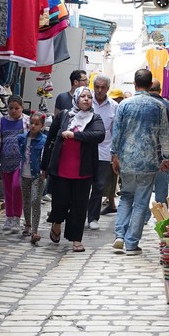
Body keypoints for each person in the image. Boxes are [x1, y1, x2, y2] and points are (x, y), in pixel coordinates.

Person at [111, 69, 169, 255]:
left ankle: (119, 235)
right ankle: (131, 243)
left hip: (127, 159)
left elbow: (116, 132)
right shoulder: (158, 106)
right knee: (141, 203)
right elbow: (164, 133)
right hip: (148, 161)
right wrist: (166, 157)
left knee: (126, 197)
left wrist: (114, 155)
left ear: (134, 83)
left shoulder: (124, 105)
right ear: (150, 84)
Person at [42, 86, 105, 253]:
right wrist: (44, 165)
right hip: (61, 169)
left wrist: (75, 135)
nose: (86, 99)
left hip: (83, 171)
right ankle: (57, 222)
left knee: (79, 206)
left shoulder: (95, 118)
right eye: (82, 96)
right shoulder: (64, 115)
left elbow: (99, 135)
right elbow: (50, 139)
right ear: (76, 99)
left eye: (89, 97)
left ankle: (76, 239)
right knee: (60, 202)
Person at [0, 95, 28, 232]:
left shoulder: (27, 122)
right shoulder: (2, 122)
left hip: (21, 162)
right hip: (5, 161)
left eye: (17, 108)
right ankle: (9, 217)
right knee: (7, 190)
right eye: (11, 108)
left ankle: (17, 217)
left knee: (16, 187)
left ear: (22, 108)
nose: (13, 111)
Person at [86, 74, 116, 230]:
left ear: (107, 88)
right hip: (86, 149)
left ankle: (93, 217)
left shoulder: (113, 106)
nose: (99, 90)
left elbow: (115, 130)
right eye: (96, 87)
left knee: (99, 186)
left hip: (104, 150)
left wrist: (114, 153)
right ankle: (80, 214)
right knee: (83, 185)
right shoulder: (86, 101)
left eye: (102, 87)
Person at [148, 79, 169, 205]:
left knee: (144, 184)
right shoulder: (168, 106)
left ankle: (143, 212)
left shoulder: (143, 105)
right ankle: (161, 208)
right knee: (162, 181)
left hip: (144, 150)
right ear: (160, 90)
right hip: (163, 150)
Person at [18, 112, 48, 244]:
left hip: (37, 174)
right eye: (31, 123)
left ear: (42, 126)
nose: (33, 126)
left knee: (35, 200)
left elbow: (45, 156)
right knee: (26, 200)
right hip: (24, 173)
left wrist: (45, 169)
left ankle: (35, 230)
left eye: (37, 124)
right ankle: (27, 224)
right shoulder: (22, 138)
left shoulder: (44, 140)